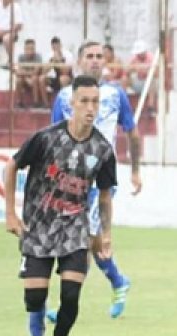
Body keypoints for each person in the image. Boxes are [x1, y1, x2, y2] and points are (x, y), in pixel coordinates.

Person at [3, 75, 117, 336]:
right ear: (72, 103)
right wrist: (11, 214)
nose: (91, 107)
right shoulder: (46, 138)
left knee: (70, 296)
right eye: (84, 101)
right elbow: (12, 164)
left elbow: (104, 195)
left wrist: (106, 234)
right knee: (34, 297)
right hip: (39, 229)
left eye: (96, 101)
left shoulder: (103, 150)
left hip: (75, 230)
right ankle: (36, 309)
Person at [49, 41, 143, 321]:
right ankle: (118, 280)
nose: (94, 60)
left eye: (99, 56)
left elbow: (133, 133)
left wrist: (135, 171)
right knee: (87, 241)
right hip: (70, 179)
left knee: (83, 240)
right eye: (89, 56)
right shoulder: (65, 97)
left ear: (106, 61)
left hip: (101, 179)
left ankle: (68, 304)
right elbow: (54, 137)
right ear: (79, 61)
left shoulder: (115, 94)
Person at [0, 0, 22, 67]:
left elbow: (19, 25)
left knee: (6, 39)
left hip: (11, 32)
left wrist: (5, 31)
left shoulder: (16, 7)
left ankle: (10, 60)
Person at [15, 38, 44, 108]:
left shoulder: (38, 57)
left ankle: (36, 102)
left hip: (35, 81)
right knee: (18, 80)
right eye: (28, 48)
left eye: (32, 48)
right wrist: (26, 79)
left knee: (34, 78)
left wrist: (24, 73)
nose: (30, 51)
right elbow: (18, 72)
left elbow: (36, 72)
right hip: (25, 80)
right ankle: (19, 102)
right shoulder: (21, 57)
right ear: (25, 49)